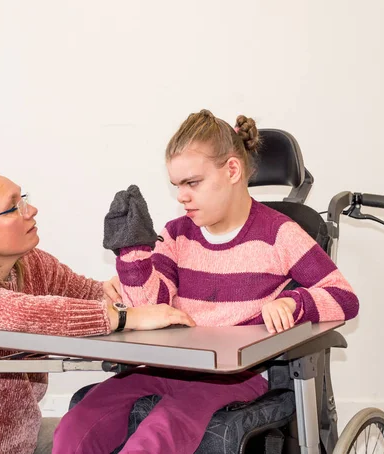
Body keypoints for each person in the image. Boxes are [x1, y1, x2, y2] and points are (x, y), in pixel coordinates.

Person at [53, 110, 359, 453]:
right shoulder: (176, 235)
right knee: (77, 424)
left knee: (154, 437)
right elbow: (150, 308)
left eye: (192, 183)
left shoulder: (279, 234)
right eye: (177, 186)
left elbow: (344, 297)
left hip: (235, 376)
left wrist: (294, 302)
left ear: (232, 169)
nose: (182, 196)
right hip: (169, 366)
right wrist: (133, 256)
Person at [0, 167, 194, 454]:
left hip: (18, 444)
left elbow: (90, 294)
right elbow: (17, 314)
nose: (31, 210)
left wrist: (127, 289)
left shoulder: (30, 265)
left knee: (109, 436)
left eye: (24, 199)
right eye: (14, 206)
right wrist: (124, 317)